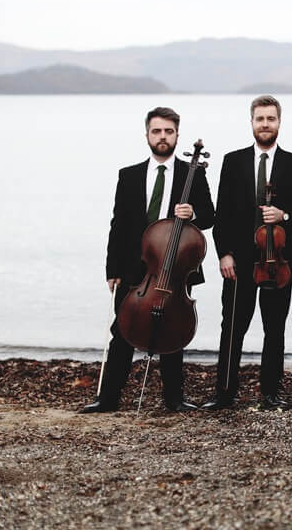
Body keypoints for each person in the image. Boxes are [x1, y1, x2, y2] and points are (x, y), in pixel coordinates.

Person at [81, 106, 215, 413]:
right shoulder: (128, 176)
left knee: (173, 332)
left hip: (174, 267)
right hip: (134, 267)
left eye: (169, 131)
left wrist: (192, 213)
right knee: (122, 331)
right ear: (147, 135)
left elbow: (209, 216)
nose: (163, 137)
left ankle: (174, 399)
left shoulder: (192, 173)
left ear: (177, 136)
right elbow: (118, 225)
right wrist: (112, 269)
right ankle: (108, 398)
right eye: (157, 131)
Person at [201, 96, 292, 411]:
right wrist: (223, 255)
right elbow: (221, 215)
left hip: (278, 263)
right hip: (238, 263)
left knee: (274, 329)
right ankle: (224, 393)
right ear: (251, 122)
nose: (265, 124)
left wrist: (285, 216)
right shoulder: (233, 161)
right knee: (232, 327)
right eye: (260, 119)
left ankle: (270, 392)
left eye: (271, 119)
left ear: (279, 122)